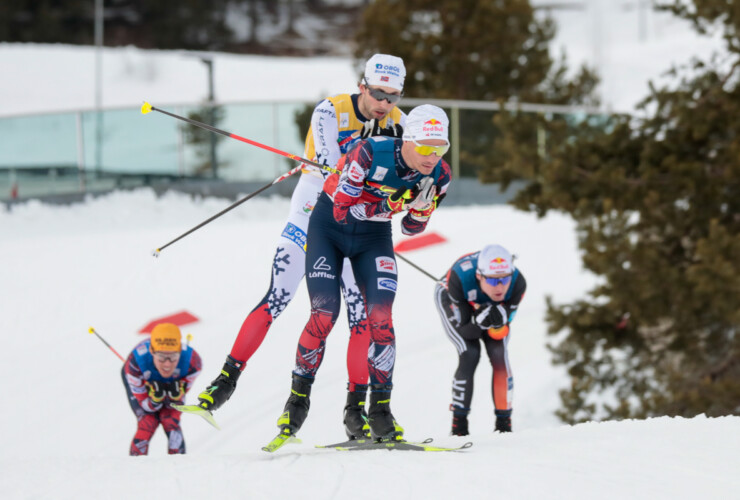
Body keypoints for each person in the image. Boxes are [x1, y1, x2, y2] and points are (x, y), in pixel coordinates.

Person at [195, 54, 408, 440]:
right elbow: (329, 162)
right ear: (363, 86)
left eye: (393, 96)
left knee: (359, 314)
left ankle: (354, 410)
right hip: (314, 208)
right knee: (279, 294)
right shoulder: (331, 110)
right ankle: (225, 381)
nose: (385, 104)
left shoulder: (399, 123)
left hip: (360, 218)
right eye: (379, 93)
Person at [274, 104, 453, 442]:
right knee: (325, 314)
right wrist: (393, 203)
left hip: (374, 238)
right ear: (409, 139)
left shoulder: (439, 175)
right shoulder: (369, 151)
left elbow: (413, 228)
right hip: (329, 229)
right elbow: (343, 209)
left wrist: (422, 209)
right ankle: (297, 400)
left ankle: (380, 410)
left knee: (381, 318)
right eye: (426, 147)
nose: (433, 156)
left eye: (440, 147)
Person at [433, 244, 527, 435]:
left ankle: (504, 426)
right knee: (470, 353)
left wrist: (501, 317)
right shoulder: (460, 277)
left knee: (499, 354)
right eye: (493, 281)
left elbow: (502, 328)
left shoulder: (518, 283)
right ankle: (459, 427)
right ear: (479, 276)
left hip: (482, 305)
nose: (500, 287)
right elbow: (467, 331)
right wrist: (478, 322)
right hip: (454, 298)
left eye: (504, 279)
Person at [121, 323, 202, 455]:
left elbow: (177, 402)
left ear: (180, 352)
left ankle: (179, 469)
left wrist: (175, 397)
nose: (167, 364)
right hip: (142, 378)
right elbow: (144, 405)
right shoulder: (135, 364)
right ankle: (135, 470)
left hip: (171, 379)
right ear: (152, 352)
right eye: (161, 357)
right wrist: (155, 400)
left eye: (173, 357)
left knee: (170, 421)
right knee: (148, 422)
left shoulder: (193, 363)